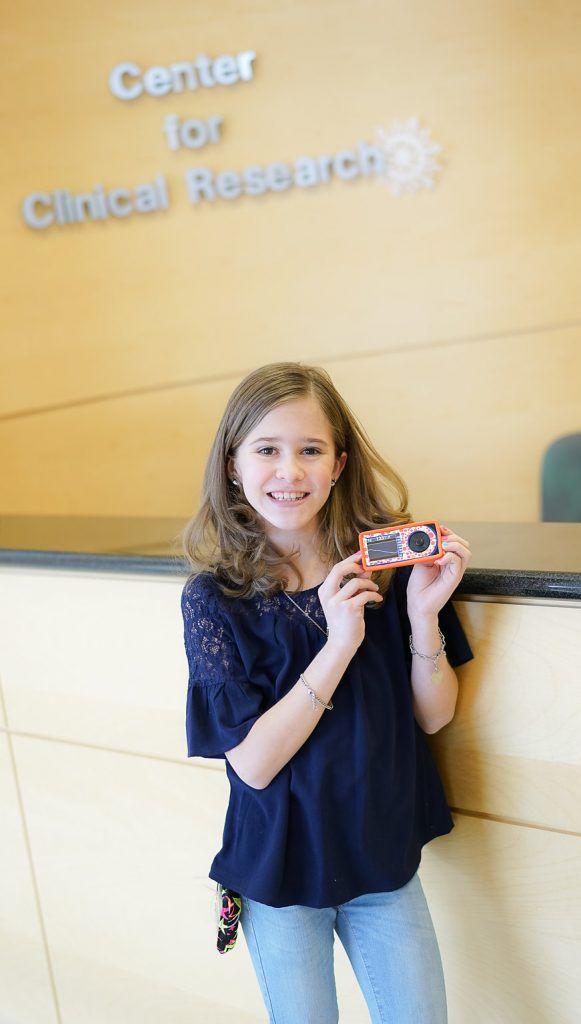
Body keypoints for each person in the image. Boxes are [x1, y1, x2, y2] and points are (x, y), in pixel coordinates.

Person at [180, 361, 474, 1024]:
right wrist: (340, 642)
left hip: (381, 859)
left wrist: (423, 616)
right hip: (280, 875)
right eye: (266, 450)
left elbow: (434, 716)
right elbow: (252, 763)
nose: (289, 472)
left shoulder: (390, 571)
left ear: (338, 464)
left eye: (310, 450)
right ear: (232, 465)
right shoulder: (213, 599)